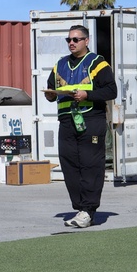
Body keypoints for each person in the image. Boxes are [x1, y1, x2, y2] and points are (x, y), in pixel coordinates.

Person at [45, 25, 117, 228]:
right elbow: (51, 90)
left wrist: (88, 95)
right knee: (69, 165)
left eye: (76, 39)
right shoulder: (60, 65)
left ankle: (88, 209)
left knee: (90, 165)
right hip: (67, 121)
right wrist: (50, 94)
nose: (71, 43)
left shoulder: (97, 63)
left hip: (91, 119)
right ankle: (81, 208)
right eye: (68, 39)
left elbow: (111, 91)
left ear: (87, 41)